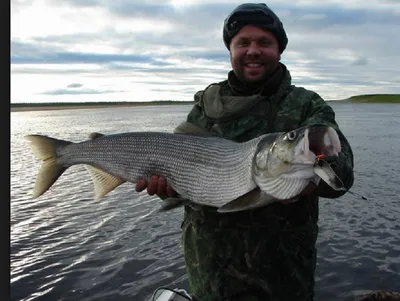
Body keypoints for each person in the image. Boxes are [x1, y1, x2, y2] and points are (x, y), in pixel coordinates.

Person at [137, 3, 355, 301]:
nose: (253, 50)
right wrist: (168, 188)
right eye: (243, 42)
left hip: (285, 275)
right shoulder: (205, 107)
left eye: (264, 42)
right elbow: (182, 181)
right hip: (211, 271)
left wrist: (315, 176)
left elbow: (342, 168)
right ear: (231, 50)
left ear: (279, 50)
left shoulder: (306, 105)